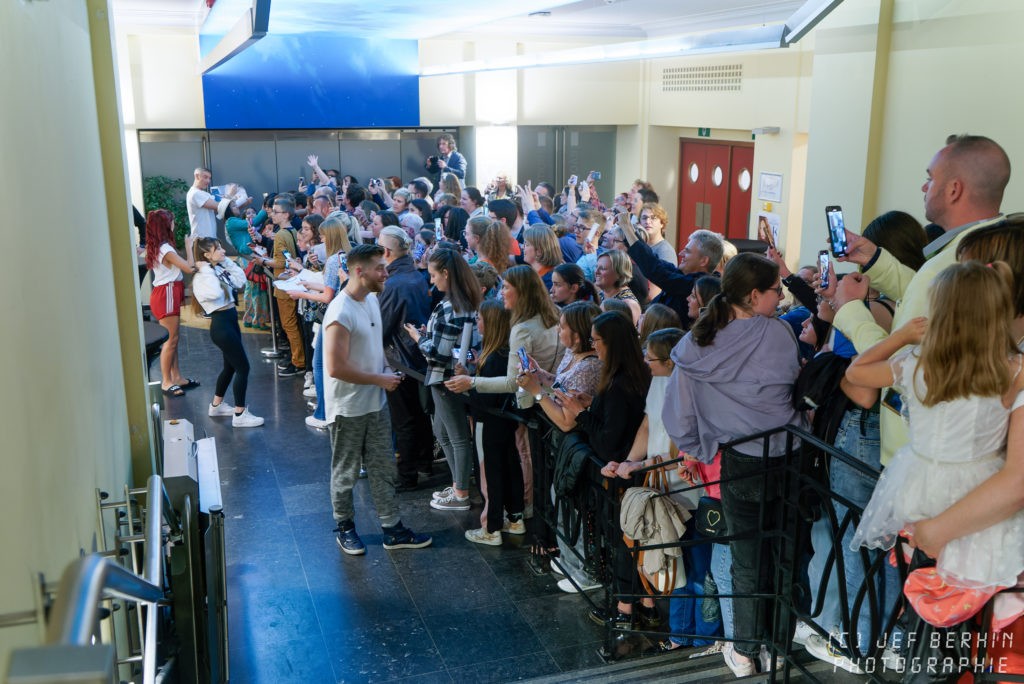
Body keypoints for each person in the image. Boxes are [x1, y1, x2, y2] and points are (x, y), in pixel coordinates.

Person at [662, 252, 804, 677]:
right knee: (784, 553)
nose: (781, 297)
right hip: (792, 457)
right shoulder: (779, 333)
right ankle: (777, 646)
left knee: (745, 559)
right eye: (777, 289)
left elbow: (678, 414)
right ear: (755, 294)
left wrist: (700, 446)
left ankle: (744, 652)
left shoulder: (697, 344)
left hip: (740, 461)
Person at [831, 135, 1011, 468]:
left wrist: (850, 312)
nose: (924, 188)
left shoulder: (953, 261)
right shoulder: (991, 243)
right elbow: (925, 294)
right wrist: (875, 260)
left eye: (930, 178)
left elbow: (900, 358)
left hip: (915, 449)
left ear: (954, 189)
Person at [849, 262, 1024, 595]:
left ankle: (916, 629)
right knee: (965, 579)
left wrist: (900, 336)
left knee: (921, 570)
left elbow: (857, 373)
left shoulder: (915, 361)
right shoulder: (1015, 369)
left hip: (918, 482)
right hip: (976, 489)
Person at [323, 243, 432, 555]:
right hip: (348, 408)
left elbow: (373, 346)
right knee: (345, 470)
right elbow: (335, 367)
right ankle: (344, 526)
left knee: (383, 467)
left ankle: (392, 527)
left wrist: (384, 370)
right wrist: (380, 379)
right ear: (360, 272)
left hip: (375, 402)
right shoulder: (340, 312)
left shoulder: (372, 298)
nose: (387, 272)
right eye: (380, 268)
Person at [404, 249, 482, 511]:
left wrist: (419, 338)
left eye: (434, 275)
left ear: (446, 273)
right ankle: (459, 483)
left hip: (446, 378)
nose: (431, 281)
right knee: (442, 432)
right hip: (448, 377)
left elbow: (438, 352)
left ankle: (461, 492)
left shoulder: (450, 306)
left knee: (457, 436)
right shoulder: (464, 302)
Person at [460, 300, 524, 546]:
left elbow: (484, 396)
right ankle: (515, 519)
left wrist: (465, 384)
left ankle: (491, 527)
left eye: (479, 318)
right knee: (510, 468)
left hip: (487, 422)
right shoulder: (504, 353)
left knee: (489, 475)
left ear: (491, 322)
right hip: (505, 423)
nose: (477, 323)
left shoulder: (491, 358)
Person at [377, 226, 435, 491]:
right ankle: (423, 463)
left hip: (399, 361)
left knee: (404, 420)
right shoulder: (416, 275)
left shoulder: (394, 283)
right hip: (418, 357)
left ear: (386, 252)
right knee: (419, 415)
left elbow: (382, 325)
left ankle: (407, 475)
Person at [191, 238, 263, 428]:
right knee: (243, 368)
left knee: (231, 367)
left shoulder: (216, 269)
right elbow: (215, 293)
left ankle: (216, 405)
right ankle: (239, 415)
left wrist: (225, 261)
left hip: (230, 321)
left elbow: (240, 281)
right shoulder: (202, 277)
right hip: (221, 325)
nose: (223, 251)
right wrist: (206, 269)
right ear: (207, 255)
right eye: (218, 249)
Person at [288, 216, 352, 430]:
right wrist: (308, 284)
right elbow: (330, 288)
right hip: (342, 316)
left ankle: (323, 412)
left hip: (331, 317)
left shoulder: (334, 259)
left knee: (319, 364)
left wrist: (301, 293)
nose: (321, 240)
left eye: (323, 236)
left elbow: (327, 297)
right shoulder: (346, 255)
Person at [622, 214, 723, 327]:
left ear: (703, 261)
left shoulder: (700, 286)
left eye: (687, 251)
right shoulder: (682, 276)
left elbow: (655, 270)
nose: (681, 254)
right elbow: (654, 261)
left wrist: (627, 227)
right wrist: (629, 229)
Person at [145, 209, 197, 397]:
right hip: (166, 293)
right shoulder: (166, 248)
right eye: (172, 221)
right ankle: (167, 382)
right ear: (166, 225)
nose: (174, 224)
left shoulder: (159, 246)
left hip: (167, 293)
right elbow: (190, 268)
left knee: (173, 338)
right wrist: (189, 246)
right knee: (170, 339)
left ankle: (177, 377)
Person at [269, 194, 307, 377]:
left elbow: (279, 262)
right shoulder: (293, 231)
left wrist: (262, 260)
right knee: (293, 324)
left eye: (276, 212)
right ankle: (298, 358)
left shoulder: (280, 235)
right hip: (293, 282)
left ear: (286, 214)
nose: (272, 215)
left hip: (284, 285)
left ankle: (298, 361)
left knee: (289, 325)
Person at [594, 251, 641, 325]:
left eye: (602, 268)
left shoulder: (629, 305)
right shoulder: (599, 295)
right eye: (596, 267)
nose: (596, 272)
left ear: (619, 273)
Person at [186, 167, 224, 239]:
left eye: (209, 178)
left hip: (208, 238)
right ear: (197, 176)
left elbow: (220, 209)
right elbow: (219, 206)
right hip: (202, 239)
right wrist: (230, 196)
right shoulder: (195, 193)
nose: (208, 181)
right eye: (205, 177)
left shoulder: (203, 193)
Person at [522, 225, 563, 290]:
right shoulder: (533, 274)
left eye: (526, 244)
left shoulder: (550, 281)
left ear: (539, 251)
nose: (522, 247)